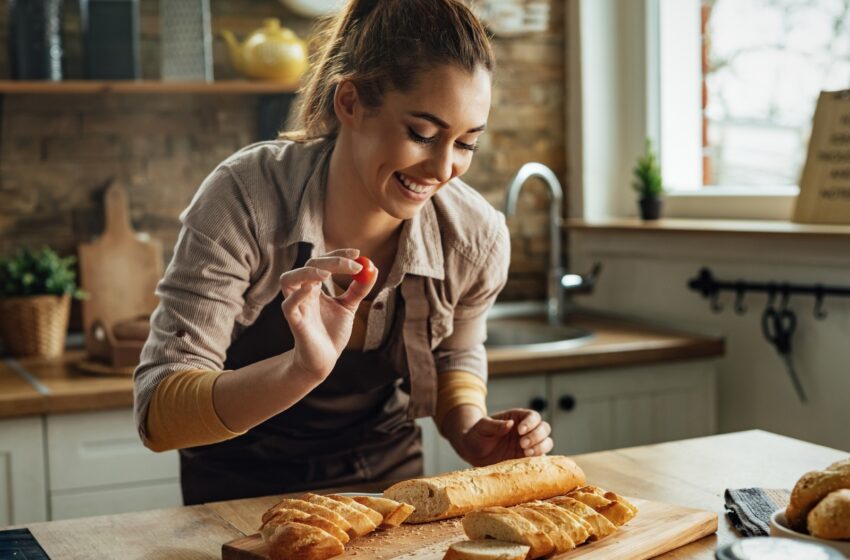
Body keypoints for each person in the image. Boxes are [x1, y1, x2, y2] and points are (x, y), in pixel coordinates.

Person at [133, 0, 554, 506]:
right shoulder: (244, 199)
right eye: (422, 134)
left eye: (466, 144)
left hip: (388, 488)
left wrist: (469, 428)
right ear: (350, 103)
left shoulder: (474, 235)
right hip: (235, 495)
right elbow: (158, 413)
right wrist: (300, 370)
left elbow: (456, 354)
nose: (444, 168)